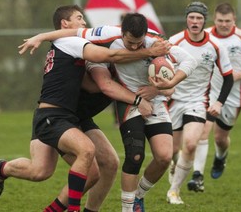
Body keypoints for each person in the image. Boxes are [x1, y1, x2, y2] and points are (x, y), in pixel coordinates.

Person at [0, 6, 170, 212]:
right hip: (53, 115)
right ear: (65, 24)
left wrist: (150, 82)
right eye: (79, 18)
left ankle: (85, 210)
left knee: (106, 163)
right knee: (56, 164)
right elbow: (108, 62)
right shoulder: (70, 41)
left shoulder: (77, 44)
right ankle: (5, 171)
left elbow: (93, 84)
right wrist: (149, 54)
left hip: (75, 117)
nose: (84, 22)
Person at [20, 13, 197, 212]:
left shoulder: (156, 42)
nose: (133, 47)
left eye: (138, 43)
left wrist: (164, 85)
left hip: (80, 116)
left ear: (146, 35)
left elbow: (180, 73)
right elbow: (104, 81)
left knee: (115, 163)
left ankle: (124, 200)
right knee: (47, 169)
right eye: (79, 17)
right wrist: (41, 36)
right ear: (121, 33)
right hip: (57, 115)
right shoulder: (85, 42)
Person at [188, 2, 241, 192]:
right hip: (208, 93)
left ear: (234, 20)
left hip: (233, 96)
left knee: (221, 138)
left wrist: (237, 75)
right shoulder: (205, 35)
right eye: (220, 21)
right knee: (203, 131)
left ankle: (221, 157)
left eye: (227, 21)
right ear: (214, 19)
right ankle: (197, 176)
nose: (224, 24)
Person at [164, 1, 234, 205]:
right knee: (172, 150)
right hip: (173, 100)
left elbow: (228, 77)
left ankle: (174, 191)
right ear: (187, 18)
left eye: (199, 18)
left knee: (192, 144)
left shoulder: (215, 46)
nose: (195, 21)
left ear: (204, 21)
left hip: (198, 100)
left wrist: (219, 103)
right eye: (191, 17)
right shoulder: (174, 41)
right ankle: (174, 165)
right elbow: (161, 67)